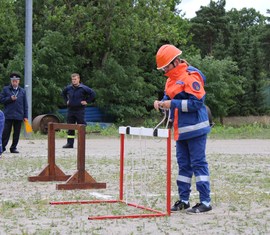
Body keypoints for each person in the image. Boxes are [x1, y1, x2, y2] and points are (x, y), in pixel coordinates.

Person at [154, 44, 212, 213]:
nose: (164, 70)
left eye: (166, 66)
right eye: (162, 67)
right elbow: (168, 98)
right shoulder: (170, 80)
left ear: (175, 61)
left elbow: (197, 103)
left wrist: (173, 103)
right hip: (180, 131)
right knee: (184, 167)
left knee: (198, 164)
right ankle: (184, 200)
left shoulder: (190, 77)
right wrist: (161, 103)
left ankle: (205, 202)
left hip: (195, 129)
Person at [62, 73, 96, 148]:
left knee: (81, 127)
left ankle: (81, 144)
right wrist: (66, 100)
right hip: (70, 110)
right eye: (72, 79)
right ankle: (70, 144)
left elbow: (93, 94)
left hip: (80, 110)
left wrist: (87, 101)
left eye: (75, 79)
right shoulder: (68, 88)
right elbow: (63, 93)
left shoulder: (83, 88)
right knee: (70, 127)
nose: (74, 81)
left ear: (78, 79)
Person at [0, 72, 28, 153]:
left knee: (16, 133)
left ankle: (13, 147)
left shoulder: (22, 91)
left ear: (19, 81)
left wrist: (25, 116)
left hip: (19, 115)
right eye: (13, 81)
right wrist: (10, 99)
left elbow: (25, 104)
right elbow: (1, 100)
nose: (14, 82)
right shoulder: (6, 89)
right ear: (11, 81)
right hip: (8, 115)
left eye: (16, 81)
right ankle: (2, 147)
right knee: (5, 132)